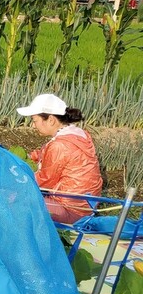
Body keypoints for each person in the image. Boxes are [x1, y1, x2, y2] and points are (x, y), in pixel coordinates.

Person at [16, 93, 103, 224]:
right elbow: (46, 153)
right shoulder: (78, 135)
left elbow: (43, 181)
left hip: (70, 209)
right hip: (86, 207)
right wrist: (29, 156)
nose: (33, 126)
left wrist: (16, 178)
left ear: (51, 120)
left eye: (35, 121)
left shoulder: (59, 145)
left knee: (16, 199)